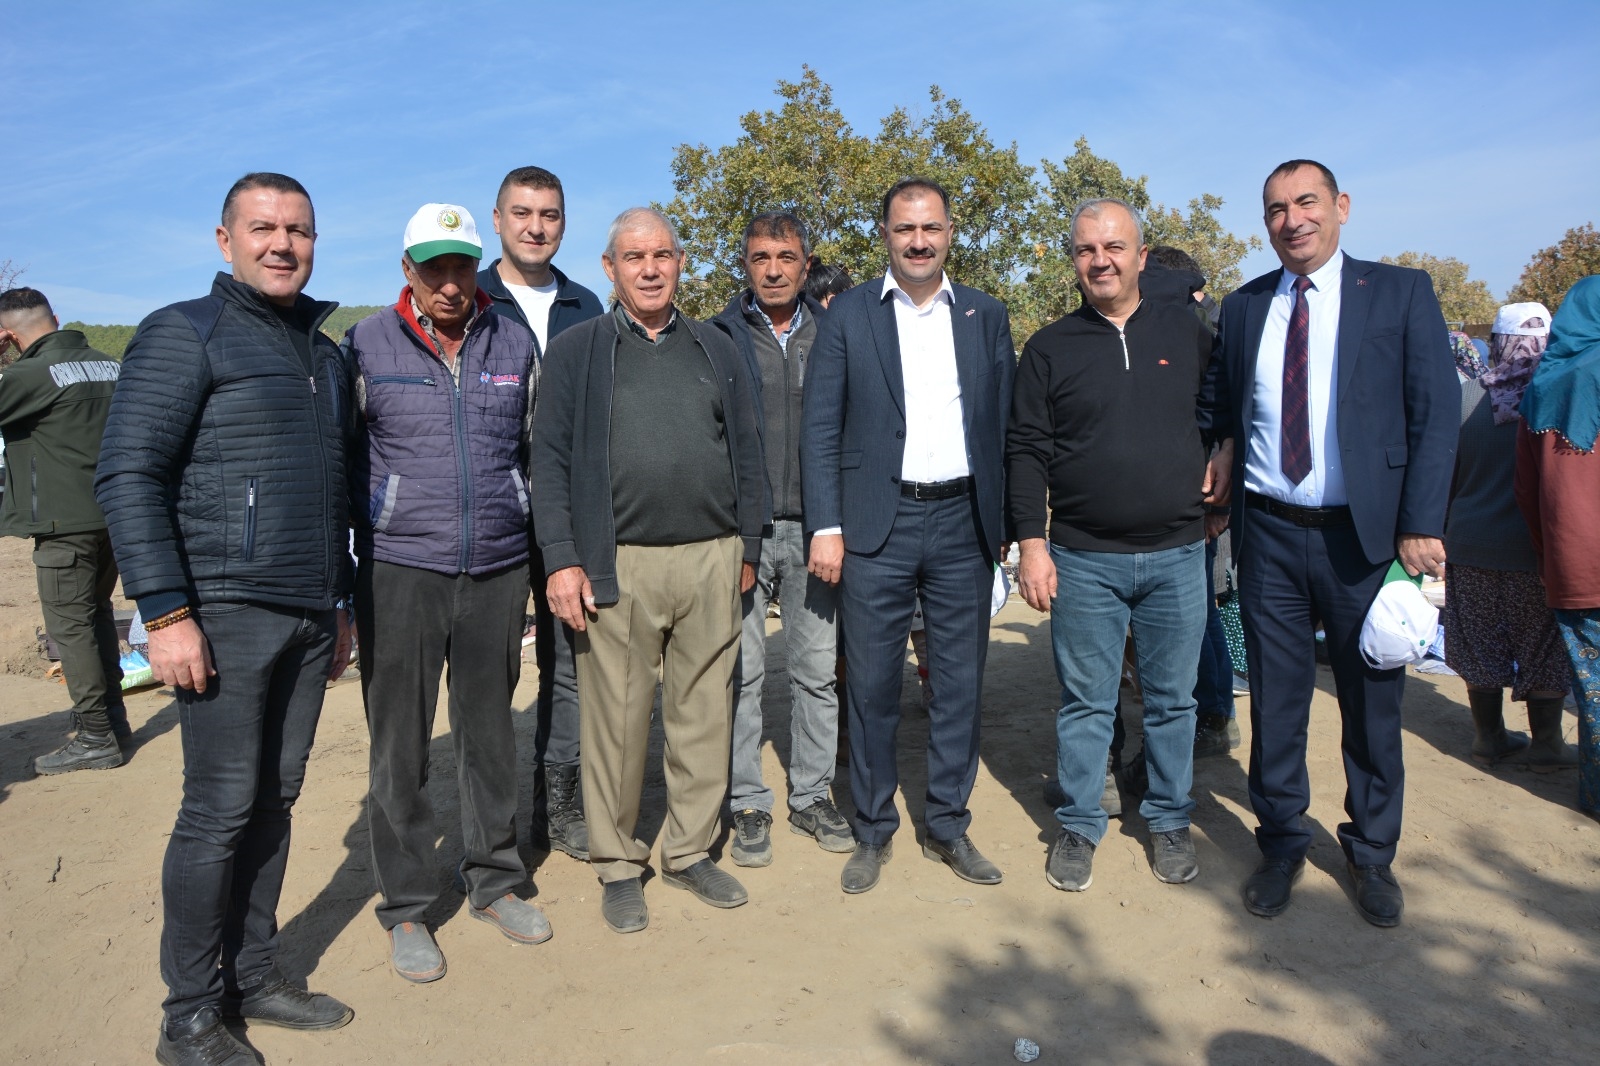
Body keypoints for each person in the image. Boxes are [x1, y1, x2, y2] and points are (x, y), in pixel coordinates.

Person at [95, 173, 354, 1066]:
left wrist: (341, 601)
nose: (283, 244)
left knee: (275, 802)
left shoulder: (324, 352)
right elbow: (128, 474)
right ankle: (190, 1014)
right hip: (222, 612)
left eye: (299, 230)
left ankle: (253, 975)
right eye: (264, 228)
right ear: (225, 240)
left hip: (307, 613)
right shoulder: (185, 332)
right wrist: (166, 612)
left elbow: (336, 489)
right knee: (217, 811)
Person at [1208, 160, 1457, 928]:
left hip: (1366, 541)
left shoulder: (1400, 292)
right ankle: (1282, 841)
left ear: (1341, 206)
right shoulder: (1244, 306)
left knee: (1372, 705)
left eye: (1306, 202)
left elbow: (1434, 415)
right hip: (1270, 535)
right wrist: (1222, 450)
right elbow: (1225, 404)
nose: (1293, 220)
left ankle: (1372, 852)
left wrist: (1420, 522)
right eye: (1276, 209)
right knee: (1277, 704)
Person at [529, 207, 765, 933]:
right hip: (617, 563)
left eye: (663, 255)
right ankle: (618, 863)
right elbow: (549, 462)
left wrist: (748, 547)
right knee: (618, 724)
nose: (651, 269)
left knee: (704, 715)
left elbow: (747, 446)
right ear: (610, 269)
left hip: (711, 556)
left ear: (681, 262)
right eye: (634, 258)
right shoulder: (577, 351)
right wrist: (562, 559)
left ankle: (689, 851)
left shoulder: (717, 345)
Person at [346, 204, 551, 984]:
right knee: (399, 748)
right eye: (433, 267)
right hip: (400, 570)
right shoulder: (366, 343)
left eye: (461, 265)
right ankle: (406, 906)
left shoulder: (513, 341)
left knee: (489, 736)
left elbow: (535, 454)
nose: (450, 282)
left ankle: (494, 880)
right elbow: (344, 460)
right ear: (408, 269)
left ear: (477, 265)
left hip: (496, 568)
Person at [801, 177, 1016, 894]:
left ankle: (948, 824)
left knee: (959, 686)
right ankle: (872, 829)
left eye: (930, 228)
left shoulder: (986, 315)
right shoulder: (849, 314)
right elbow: (820, 427)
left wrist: (1008, 528)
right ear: (886, 235)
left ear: (950, 232)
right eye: (904, 229)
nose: (918, 242)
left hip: (962, 524)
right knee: (870, 687)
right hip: (875, 526)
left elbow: (1004, 430)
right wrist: (826, 525)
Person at [1009, 199, 1220, 893]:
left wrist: (1222, 464)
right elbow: (1026, 451)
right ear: (1074, 260)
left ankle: (1168, 818)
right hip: (1083, 558)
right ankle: (1078, 823)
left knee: (1173, 702)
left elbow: (1224, 412)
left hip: (1177, 553)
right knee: (1085, 703)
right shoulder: (1049, 349)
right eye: (1087, 250)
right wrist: (1032, 544)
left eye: (1114, 247)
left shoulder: (1189, 334)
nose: (1101, 261)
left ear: (1141, 256)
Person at [711, 213, 852, 865]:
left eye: (786, 257)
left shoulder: (835, 333)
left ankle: (812, 795)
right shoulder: (716, 337)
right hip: (741, 532)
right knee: (741, 675)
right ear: (745, 263)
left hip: (818, 531)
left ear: (805, 264)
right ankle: (747, 802)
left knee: (816, 673)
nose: (773, 269)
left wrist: (837, 522)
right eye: (761, 257)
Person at [477, 165, 604, 860]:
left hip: (572, 514)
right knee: (491, 673)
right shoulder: (469, 297)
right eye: (522, 213)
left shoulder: (587, 305)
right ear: (497, 220)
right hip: (492, 513)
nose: (535, 227)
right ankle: (490, 822)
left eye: (549, 214)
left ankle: (559, 807)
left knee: (570, 665)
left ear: (563, 223)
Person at [0, 287, 130, 774]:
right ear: (54, 317)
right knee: (97, 616)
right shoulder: (110, 365)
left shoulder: (27, 375)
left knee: (70, 628)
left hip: (63, 525)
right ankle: (113, 722)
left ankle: (95, 737)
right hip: (113, 516)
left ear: (9, 336)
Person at [1443, 302, 1573, 769]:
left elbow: (1444, 475)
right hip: (1535, 551)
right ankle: (1547, 744)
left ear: (1497, 342)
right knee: (1543, 645)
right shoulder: (1561, 397)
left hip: (1469, 544)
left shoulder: (1463, 397)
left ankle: (1489, 737)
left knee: (1478, 641)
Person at [1145, 245, 1239, 757]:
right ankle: (1217, 712)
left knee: (1190, 614)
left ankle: (1211, 713)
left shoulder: (1189, 327)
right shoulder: (1207, 319)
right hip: (1203, 494)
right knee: (1200, 608)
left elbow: (1211, 414)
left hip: (1193, 497)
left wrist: (1215, 507)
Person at [1516, 274, 1600, 819]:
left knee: (1593, 691)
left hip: (1573, 566)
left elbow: (1527, 492)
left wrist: (1548, 558)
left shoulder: (1542, 385)